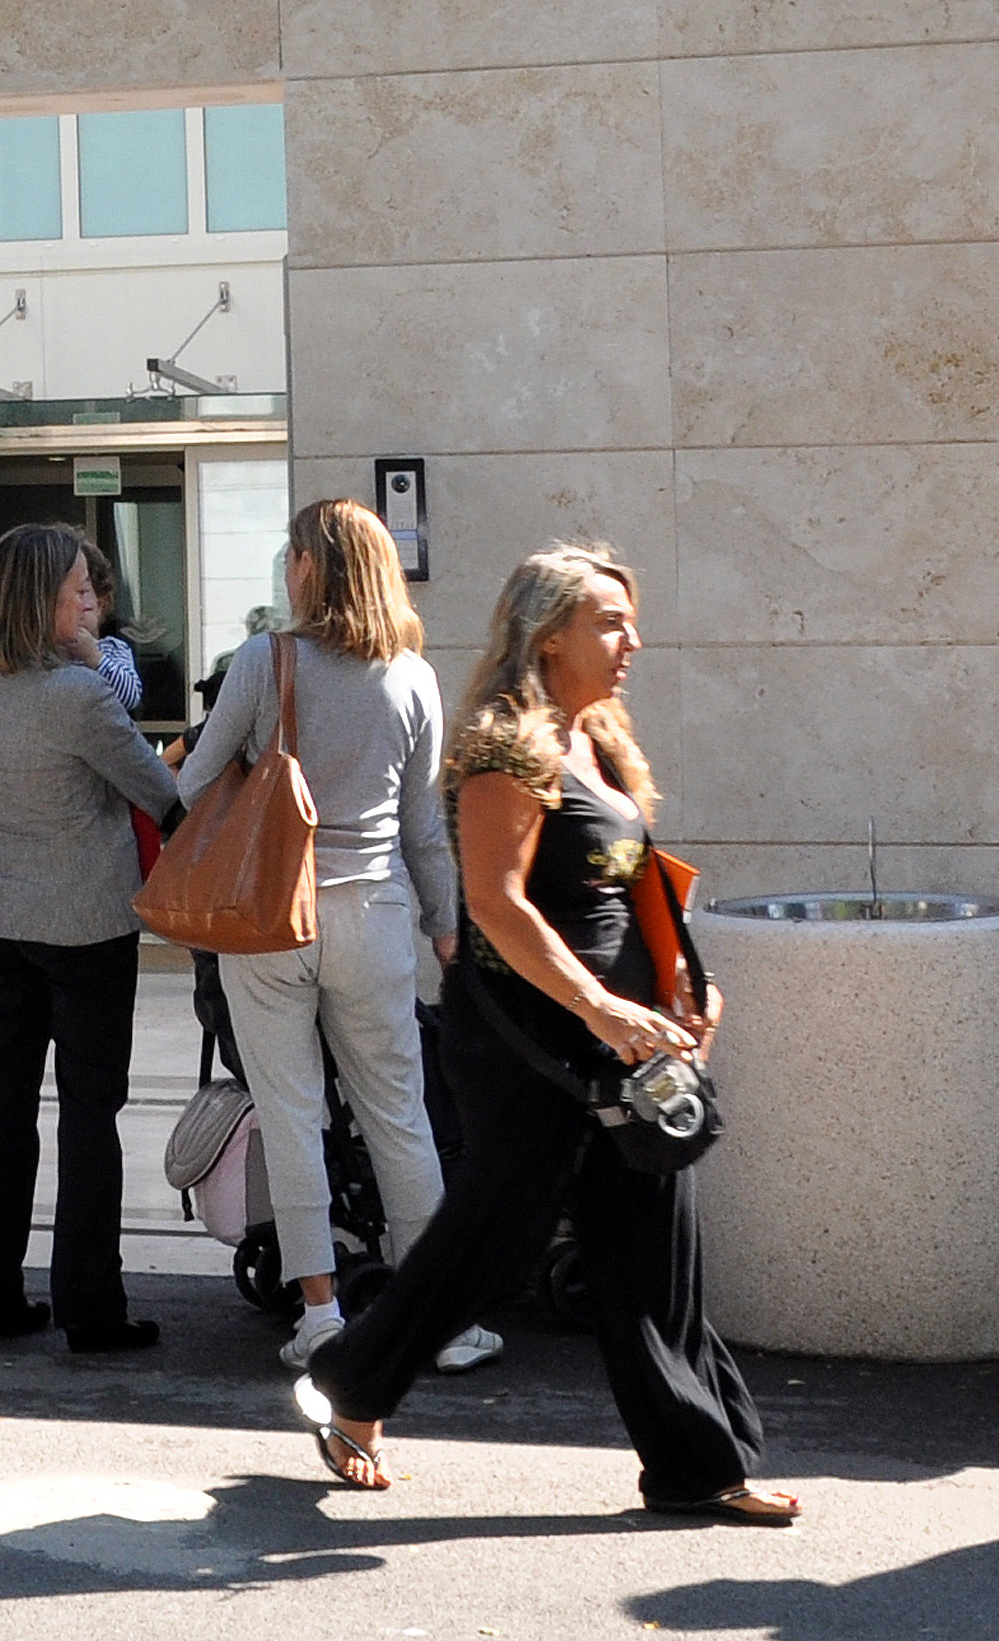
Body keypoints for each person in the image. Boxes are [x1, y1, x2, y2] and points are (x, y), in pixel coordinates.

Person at [294, 545, 795, 1525]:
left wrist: (682, 981)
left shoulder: (595, 737)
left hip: (622, 1037)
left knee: (651, 1242)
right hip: (531, 1038)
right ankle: (350, 1382)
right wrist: (600, 1007)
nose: (631, 640)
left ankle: (697, 1466)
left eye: (629, 620)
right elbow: (497, 904)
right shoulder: (503, 749)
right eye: (609, 620)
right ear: (548, 633)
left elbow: (631, 876)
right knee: (495, 1238)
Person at [179, 498, 496, 1374]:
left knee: (290, 1117)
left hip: (267, 916)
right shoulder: (413, 676)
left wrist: (241, 760)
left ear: (307, 569)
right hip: (374, 916)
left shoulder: (264, 660)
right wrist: (445, 929)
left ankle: (318, 1314)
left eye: (290, 557)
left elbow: (193, 785)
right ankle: (436, 1324)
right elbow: (424, 829)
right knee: (399, 1114)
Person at [0, 520, 183, 1353]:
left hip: (1, 920)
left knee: (3, 1100)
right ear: (40, 597)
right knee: (88, 1110)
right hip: (86, 924)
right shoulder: (78, 695)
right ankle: (90, 1305)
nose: (90, 604)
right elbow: (156, 791)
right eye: (77, 590)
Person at [0, 537, 149, 939]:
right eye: (77, 592)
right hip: (46, 888)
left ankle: (160, 894)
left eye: (90, 594)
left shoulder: (107, 655)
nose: (85, 605)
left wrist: (93, 659)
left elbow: (129, 698)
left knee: (141, 813)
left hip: (94, 782)